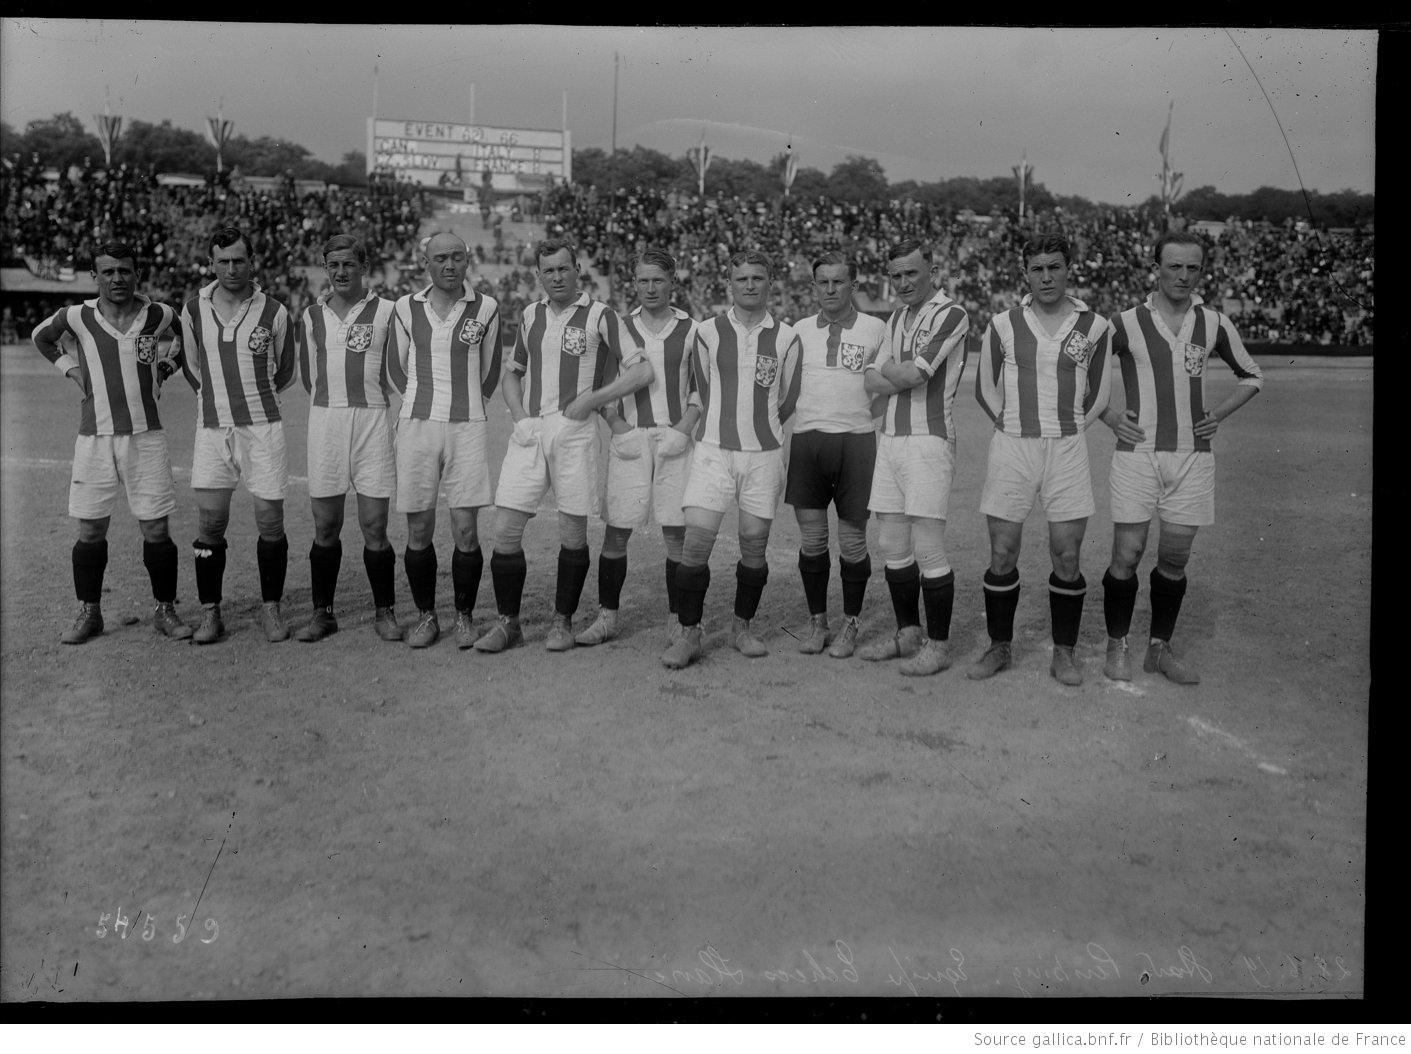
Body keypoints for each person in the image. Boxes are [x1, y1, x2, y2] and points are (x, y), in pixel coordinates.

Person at [1099, 229, 1263, 684]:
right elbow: (1080, 373)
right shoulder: (1125, 322)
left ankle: (1159, 648)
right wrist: (1111, 416)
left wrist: (1218, 415)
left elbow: (1252, 376)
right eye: (1174, 265)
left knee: (1174, 559)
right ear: (1156, 268)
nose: (1184, 275)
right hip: (1136, 455)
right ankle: (1118, 644)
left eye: (1193, 267)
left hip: (1193, 457)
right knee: (1127, 555)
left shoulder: (1213, 322)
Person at [475, 238, 652, 653]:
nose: (556, 276)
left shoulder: (601, 315)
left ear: (578, 270)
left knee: (572, 532)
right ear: (538, 276)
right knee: (505, 528)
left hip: (576, 432)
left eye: (563, 269)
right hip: (532, 431)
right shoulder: (531, 314)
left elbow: (641, 371)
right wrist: (519, 415)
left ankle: (562, 621)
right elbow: (512, 372)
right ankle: (508, 624)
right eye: (548, 271)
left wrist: (592, 400)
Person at [967, 234, 1114, 686]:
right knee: (1002, 550)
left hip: (1067, 448)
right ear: (1025, 273)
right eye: (1037, 268)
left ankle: (1064, 652)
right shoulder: (1004, 323)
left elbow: (1100, 392)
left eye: (1054, 267)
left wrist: (1069, 426)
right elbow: (984, 387)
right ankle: (999, 645)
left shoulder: (1095, 327)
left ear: (1069, 269)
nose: (1046, 276)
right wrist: (1009, 422)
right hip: (1013, 447)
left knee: (1066, 553)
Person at [30, 241, 192, 643]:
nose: (117, 278)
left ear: (137, 274)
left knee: (156, 529)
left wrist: (167, 366)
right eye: (108, 271)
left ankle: (165, 610)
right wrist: (71, 370)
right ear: (95, 276)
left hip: (146, 437)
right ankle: (90, 612)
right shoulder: (78, 316)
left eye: (124, 270)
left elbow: (185, 338)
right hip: (95, 437)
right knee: (90, 531)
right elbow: (41, 337)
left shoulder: (159, 314)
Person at [661, 249, 803, 670]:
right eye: (741, 279)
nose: (749, 285)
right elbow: (701, 388)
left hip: (764, 455)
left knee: (754, 548)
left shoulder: (786, 338)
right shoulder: (705, 332)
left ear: (770, 282)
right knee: (695, 547)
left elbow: (786, 399)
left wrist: (759, 429)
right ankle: (690, 633)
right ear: (729, 284)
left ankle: (743, 627)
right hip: (713, 453)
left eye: (757, 278)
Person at [178, 226, 298, 644]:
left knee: (270, 520)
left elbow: (284, 371)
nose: (231, 268)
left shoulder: (276, 312)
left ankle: (271, 608)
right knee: (210, 521)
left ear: (252, 262)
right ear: (211, 263)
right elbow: (192, 367)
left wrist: (250, 400)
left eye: (239, 260)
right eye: (223, 261)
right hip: (212, 428)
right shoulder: (192, 309)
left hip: (263, 427)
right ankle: (211, 613)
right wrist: (217, 401)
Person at [577, 249, 701, 646]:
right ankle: (607, 617)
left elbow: (703, 386)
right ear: (634, 284)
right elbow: (598, 386)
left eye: (658, 280)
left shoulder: (693, 329)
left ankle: (679, 618)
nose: (650, 288)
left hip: (675, 439)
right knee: (617, 532)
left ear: (672, 282)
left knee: (676, 534)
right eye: (643, 281)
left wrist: (685, 427)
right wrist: (618, 427)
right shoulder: (619, 326)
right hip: (630, 439)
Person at [858, 239, 970, 676]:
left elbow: (911, 374)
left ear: (931, 272)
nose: (903, 283)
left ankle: (938, 645)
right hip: (891, 438)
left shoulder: (951, 314)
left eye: (911, 273)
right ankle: (907, 633)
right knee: (891, 542)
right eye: (896, 275)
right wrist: (891, 372)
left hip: (929, 440)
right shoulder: (897, 317)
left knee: (927, 544)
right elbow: (872, 379)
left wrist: (889, 370)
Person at [386, 231, 503, 648]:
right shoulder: (404, 308)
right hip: (417, 425)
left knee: (466, 529)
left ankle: (465, 618)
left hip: (467, 426)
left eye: (457, 257)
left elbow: (490, 373)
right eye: (440, 258)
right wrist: (421, 403)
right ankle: (425, 617)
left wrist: (466, 405)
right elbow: (394, 369)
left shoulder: (486, 307)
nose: (449, 265)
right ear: (426, 263)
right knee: (418, 526)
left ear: (467, 259)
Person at [293, 234, 403, 643]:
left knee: (375, 523)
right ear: (326, 268)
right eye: (333, 266)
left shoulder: (390, 312)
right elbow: (309, 378)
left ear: (363, 267)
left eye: (348, 265)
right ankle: (323, 613)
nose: (341, 273)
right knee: (326, 525)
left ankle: (385, 611)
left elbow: (398, 368)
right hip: (326, 423)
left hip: (372, 421)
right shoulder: (311, 316)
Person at [785, 251, 887, 658]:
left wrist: (864, 420)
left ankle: (851, 623)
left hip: (856, 443)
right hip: (808, 441)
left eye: (838, 282)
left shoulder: (876, 328)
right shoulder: (799, 330)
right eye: (822, 282)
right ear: (813, 287)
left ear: (853, 285)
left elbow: (882, 390)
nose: (830, 289)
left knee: (852, 541)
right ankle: (817, 623)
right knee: (812, 539)